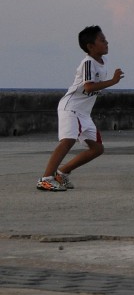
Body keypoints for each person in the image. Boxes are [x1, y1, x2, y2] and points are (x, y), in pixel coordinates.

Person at [37, 26, 125, 192]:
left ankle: (61, 173)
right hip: (70, 108)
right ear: (90, 46)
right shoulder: (88, 63)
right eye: (102, 40)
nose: (106, 42)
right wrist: (113, 81)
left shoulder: (103, 62)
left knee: (97, 149)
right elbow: (89, 87)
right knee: (68, 140)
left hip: (83, 113)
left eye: (105, 39)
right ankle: (46, 179)